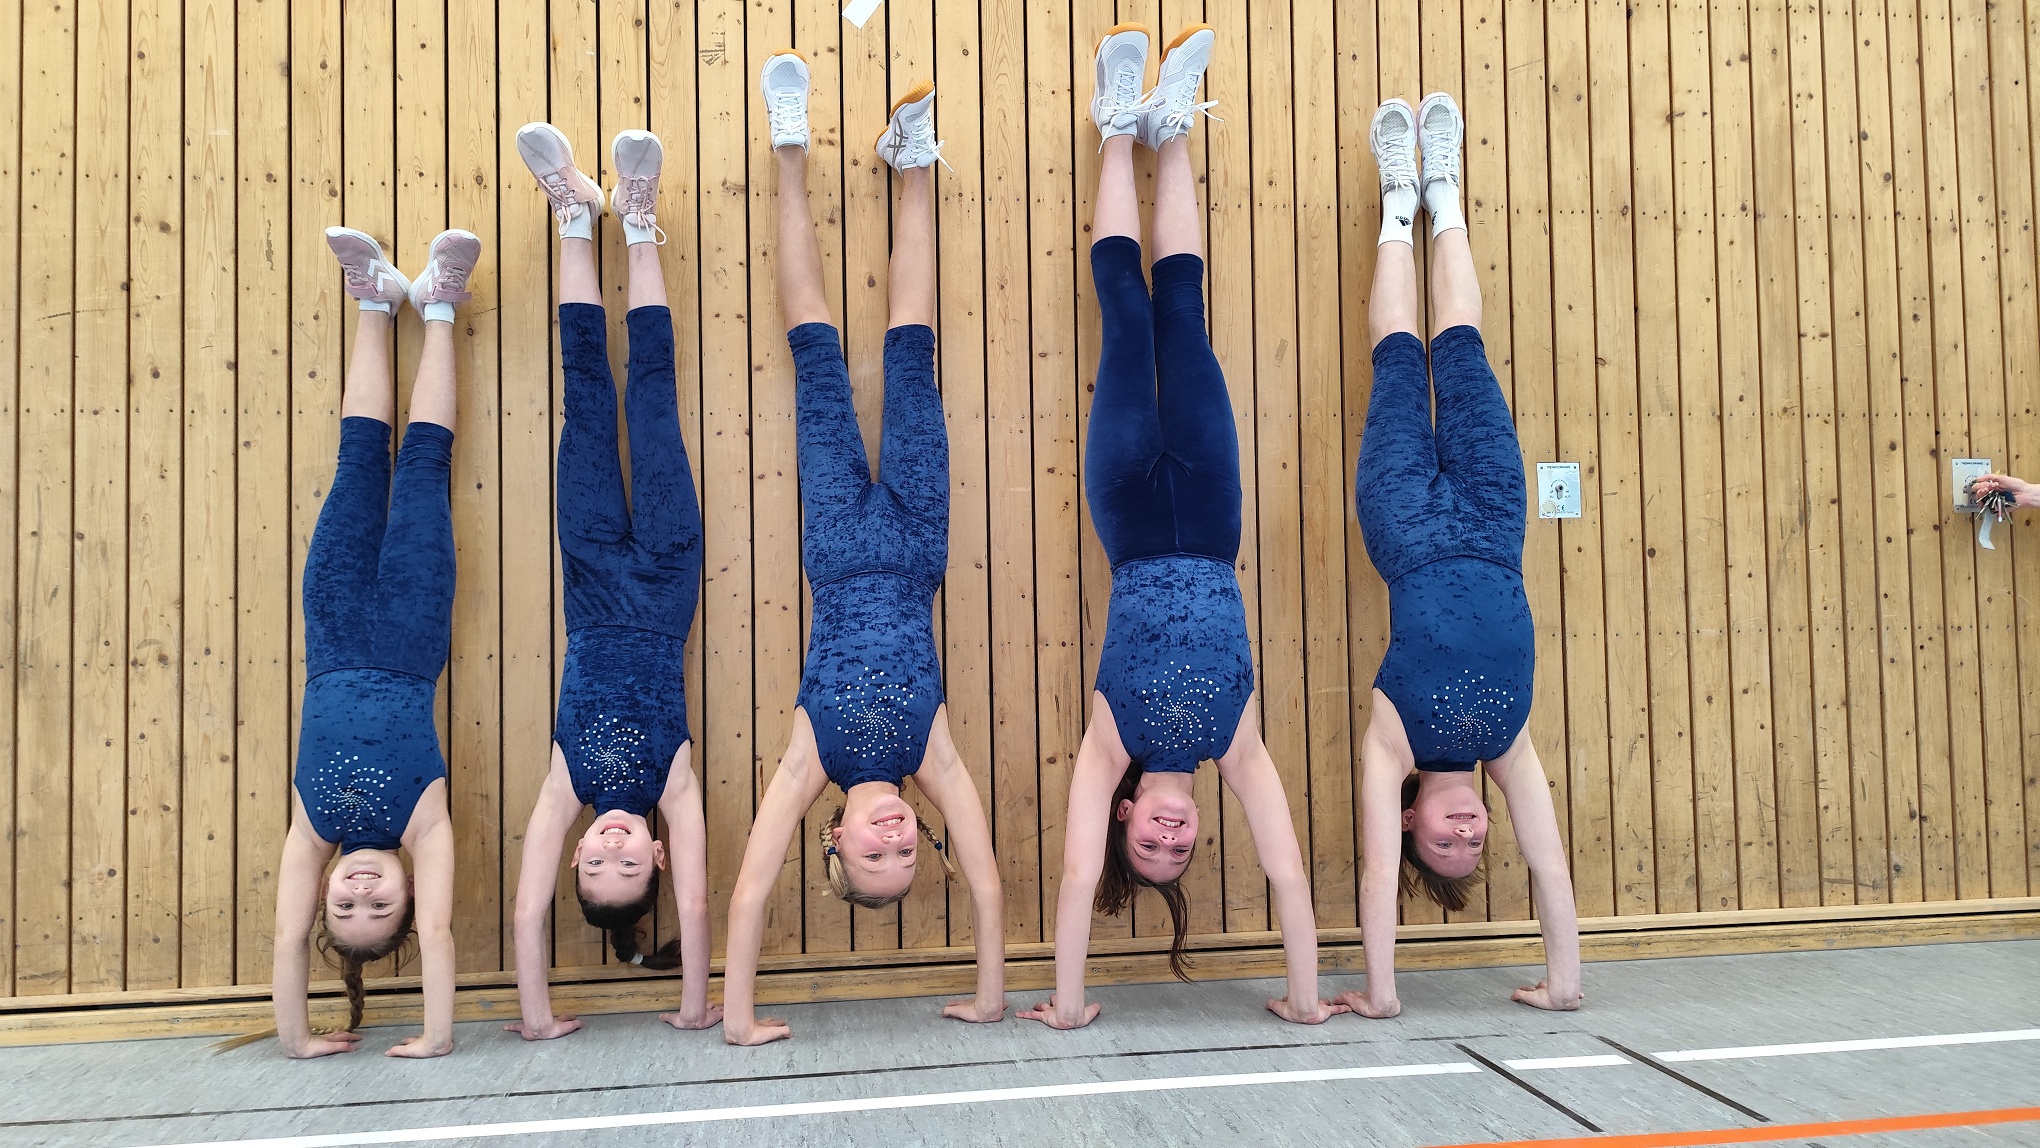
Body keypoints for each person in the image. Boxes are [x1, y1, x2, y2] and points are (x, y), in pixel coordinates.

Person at [1019, 24, 1345, 1031]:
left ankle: (1119, 127)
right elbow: (1287, 870)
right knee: (1185, 313)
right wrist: (1304, 997)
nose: (1168, 836)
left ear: (1124, 816)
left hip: (1127, 508)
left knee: (1129, 317)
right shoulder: (1235, 742)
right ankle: (1175, 131)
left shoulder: (1108, 741)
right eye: (1182, 846)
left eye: (1149, 845)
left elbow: (1079, 876)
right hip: (1208, 515)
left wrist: (1068, 1002)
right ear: (1200, 823)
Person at [716, 53, 1006, 1047]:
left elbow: (751, 890)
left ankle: (789, 152)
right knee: (912, 359)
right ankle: (913, 162)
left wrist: (740, 1018)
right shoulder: (932, 756)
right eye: (907, 856)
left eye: (870, 855)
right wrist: (991, 997)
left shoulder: (813, 758)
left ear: (833, 836)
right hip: (918, 542)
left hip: (839, 546)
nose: (893, 841)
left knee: (819, 360)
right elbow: (989, 883)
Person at [1340, 93, 1581, 1020]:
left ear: (1412, 819)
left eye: (1445, 844)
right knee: (1464, 348)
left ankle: (1396, 202)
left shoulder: (1392, 741)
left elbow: (1375, 873)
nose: (1470, 833)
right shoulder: (1505, 743)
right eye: (1475, 845)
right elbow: (1549, 862)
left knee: (1401, 358)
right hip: (1493, 523)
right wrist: (1564, 982)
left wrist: (1383, 994)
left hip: (1404, 527)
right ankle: (1443, 192)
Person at [504, 124, 719, 1042]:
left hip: (591, 580)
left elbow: (525, 913)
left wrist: (537, 1019)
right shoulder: (674, 787)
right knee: (653, 396)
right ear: (660, 857)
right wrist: (696, 1006)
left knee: (587, 397)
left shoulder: (566, 783)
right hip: (667, 580)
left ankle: (572, 222)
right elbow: (697, 905)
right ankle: (636, 224)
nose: (614, 851)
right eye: (629, 868)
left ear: (575, 851)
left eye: (594, 864)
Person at [270, 224, 481, 1058]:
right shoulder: (422, 824)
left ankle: (375, 302)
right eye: (379, 906)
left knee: (358, 462)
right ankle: (439, 309)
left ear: (319, 891)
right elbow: (440, 936)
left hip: (330, 626)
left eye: (345, 906)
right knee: (422, 465)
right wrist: (435, 1037)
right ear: (410, 892)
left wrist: (296, 1040)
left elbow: (287, 941)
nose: (361, 891)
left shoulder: (310, 828)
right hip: (408, 632)